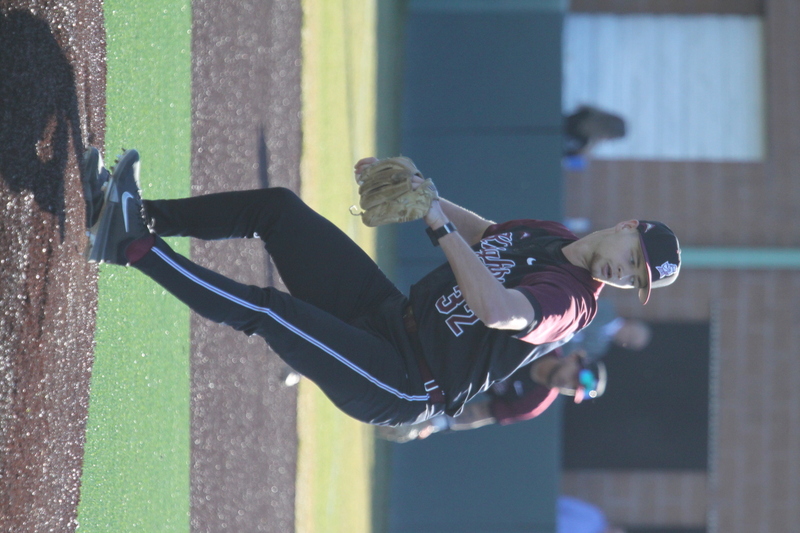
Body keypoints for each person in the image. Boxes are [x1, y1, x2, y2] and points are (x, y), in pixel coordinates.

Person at [83, 148, 681, 427]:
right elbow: (490, 236)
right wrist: (421, 189)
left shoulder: (573, 304)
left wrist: (436, 221)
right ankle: (135, 212)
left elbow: (499, 311)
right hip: (388, 314)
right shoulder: (551, 237)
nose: (625, 276)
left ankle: (130, 245)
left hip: (403, 379)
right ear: (626, 228)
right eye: (634, 260)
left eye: (636, 281)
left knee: (271, 312)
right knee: (280, 211)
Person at [376, 348, 606, 442]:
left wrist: (433, 422)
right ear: (575, 356)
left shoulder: (533, 403)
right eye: (577, 376)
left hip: (447, 379)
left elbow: (480, 412)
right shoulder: (543, 340)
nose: (569, 383)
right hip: (448, 347)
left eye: (575, 389)